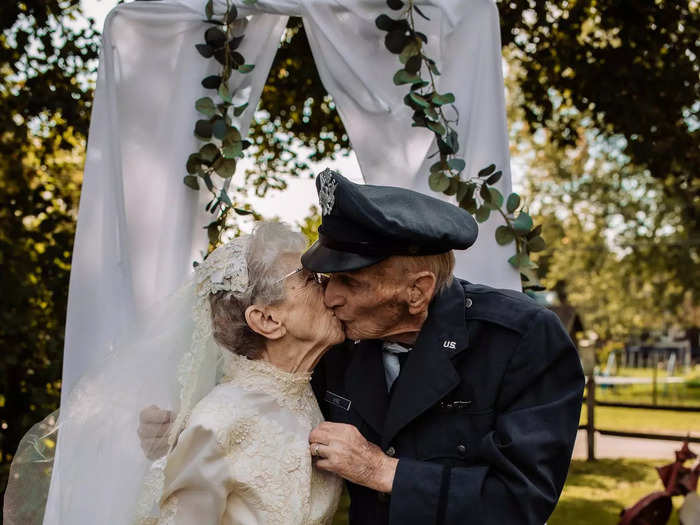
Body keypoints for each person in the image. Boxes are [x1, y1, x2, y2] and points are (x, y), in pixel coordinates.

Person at [141, 169, 585, 524]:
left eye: (350, 282)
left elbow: (522, 503)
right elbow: (259, 397)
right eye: (325, 278)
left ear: (417, 291)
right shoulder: (337, 339)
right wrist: (178, 425)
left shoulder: (521, 339)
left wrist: (382, 471)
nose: (330, 297)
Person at [5, 221, 343, 525]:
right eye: (309, 279)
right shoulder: (219, 419)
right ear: (267, 320)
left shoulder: (309, 389)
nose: (328, 284)